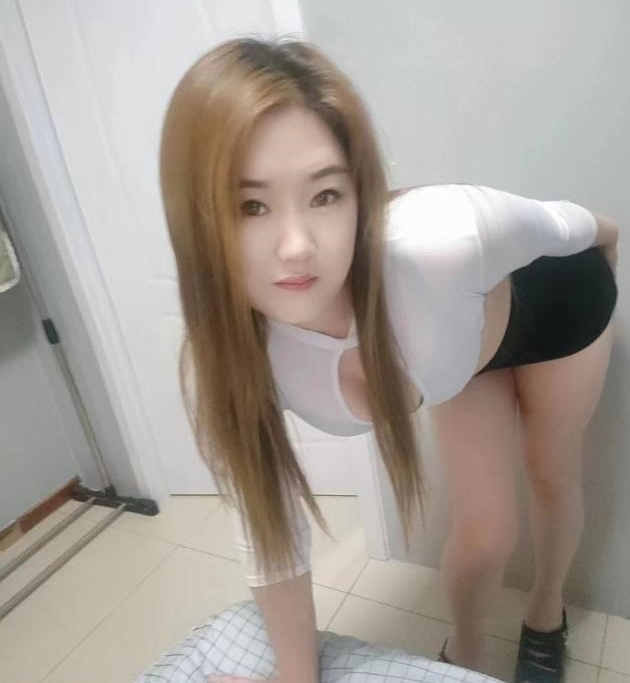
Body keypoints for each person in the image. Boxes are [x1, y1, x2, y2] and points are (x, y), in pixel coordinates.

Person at [158, 36, 619, 683]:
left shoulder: (444, 238)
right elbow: (270, 534)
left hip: (562, 306)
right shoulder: (236, 364)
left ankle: (547, 615)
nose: (296, 247)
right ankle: (465, 655)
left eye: (325, 195)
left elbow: (573, 226)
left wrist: (608, 257)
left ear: (359, 193)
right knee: (487, 533)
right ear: (197, 219)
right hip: (467, 354)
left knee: (552, 474)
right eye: (250, 206)